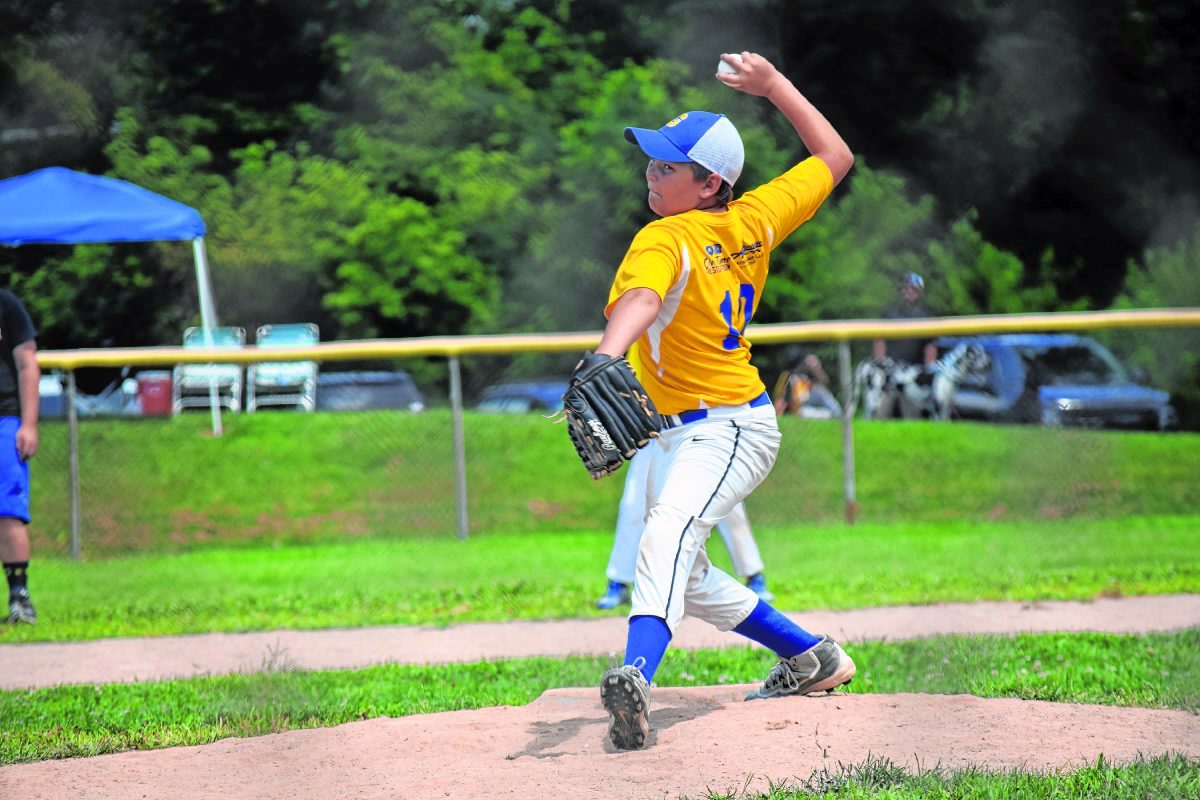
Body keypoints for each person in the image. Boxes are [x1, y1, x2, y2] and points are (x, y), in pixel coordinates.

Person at [591, 51, 856, 750]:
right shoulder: (757, 216)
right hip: (676, 432)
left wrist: (605, 355)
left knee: (665, 537)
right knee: (690, 570)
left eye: (667, 166)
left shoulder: (666, 236)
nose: (651, 173)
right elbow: (833, 154)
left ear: (710, 182)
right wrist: (775, 87)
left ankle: (636, 677)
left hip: (730, 422)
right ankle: (810, 654)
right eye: (650, 161)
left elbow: (643, 299)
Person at [598, 447, 775, 610]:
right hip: (654, 433)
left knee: (728, 505)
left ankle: (753, 575)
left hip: (700, 431)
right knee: (634, 506)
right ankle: (619, 581)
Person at [0, 288, 40, 624]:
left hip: (5, 418)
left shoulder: (6, 304)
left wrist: (28, 423)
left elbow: (27, 362)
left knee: (8, 509)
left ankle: (20, 598)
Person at [872, 272, 937, 418]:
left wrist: (928, 369)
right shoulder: (891, 314)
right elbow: (879, 339)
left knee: (912, 413)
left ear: (920, 293)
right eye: (905, 288)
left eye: (912, 289)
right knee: (881, 412)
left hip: (913, 373)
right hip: (891, 370)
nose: (907, 292)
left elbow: (930, 346)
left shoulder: (926, 317)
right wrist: (880, 362)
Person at [772, 347, 841, 419]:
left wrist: (817, 369)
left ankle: (838, 413)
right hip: (800, 409)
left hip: (808, 402)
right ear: (800, 362)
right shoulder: (789, 376)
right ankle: (835, 414)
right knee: (827, 414)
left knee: (820, 390)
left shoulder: (806, 373)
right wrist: (777, 414)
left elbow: (825, 383)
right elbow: (782, 399)